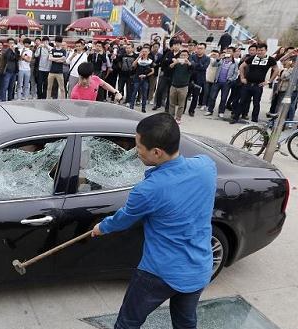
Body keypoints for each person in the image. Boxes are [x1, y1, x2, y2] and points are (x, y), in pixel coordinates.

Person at [90, 112, 217, 329]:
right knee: (185, 323)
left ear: (157, 152)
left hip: (159, 273)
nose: (135, 151)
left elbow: (123, 219)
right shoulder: (207, 167)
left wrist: (101, 227)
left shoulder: (149, 190)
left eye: (138, 147)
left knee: (128, 323)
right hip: (198, 269)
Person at [230, 43, 279, 124]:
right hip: (247, 84)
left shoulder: (270, 59)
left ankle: (254, 120)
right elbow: (241, 66)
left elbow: (276, 70)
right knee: (242, 101)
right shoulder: (252, 58)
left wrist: (269, 81)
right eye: (258, 50)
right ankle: (235, 118)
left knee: (256, 103)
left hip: (258, 85)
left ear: (266, 50)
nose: (260, 52)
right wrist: (242, 78)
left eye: (262, 50)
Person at [205, 47, 239, 118]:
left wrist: (230, 79)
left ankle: (221, 111)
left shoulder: (235, 62)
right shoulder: (222, 60)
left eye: (230, 51)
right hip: (217, 81)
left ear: (233, 53)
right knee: (212, 96)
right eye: (227, 51)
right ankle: (210, 110)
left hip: (226, 83)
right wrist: (219, 58)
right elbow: (214, 64)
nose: (228, 53)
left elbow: (235, 73)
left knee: (224, 98)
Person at [153, 39, 181, 112]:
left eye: (178, 45)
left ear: (180, 46)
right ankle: (158, 104)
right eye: (174, 45)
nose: (176, 46)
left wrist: (170, 61)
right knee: (159, 90)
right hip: (165, 75)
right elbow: (163, 62)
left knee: (170, 93)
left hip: (174, 76)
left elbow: (179, 65)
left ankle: (167, 108)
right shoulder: (169, 53)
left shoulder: (181, 55)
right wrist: (172, 60)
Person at [168, 50, 193, 124]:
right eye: (182, 55)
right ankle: (171, 117)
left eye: (185, 55)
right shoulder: (176, 63)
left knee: (181, 104)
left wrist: (188, 63)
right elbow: (169, 68)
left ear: (188, 56)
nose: (183, 56)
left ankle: (178, 118)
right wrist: (175, 62)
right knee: (171, 103)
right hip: (174, 85)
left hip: (183, 87)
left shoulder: (189, 64)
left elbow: (193, 68)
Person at [186, 43, 210, 116]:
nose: (199, 50)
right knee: (186, 94)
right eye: (198, 48)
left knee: (195, 96)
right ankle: (182, 109)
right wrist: (197, 65)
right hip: (190, 78)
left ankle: (191, 110)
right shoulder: (192, 56)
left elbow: (203, 68)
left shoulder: (207, 58)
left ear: (204, 50)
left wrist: (195, 64)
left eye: (201, 48)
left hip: (199, 79)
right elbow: (190, 65)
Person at [129, 47, 154, 113]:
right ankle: (131, 106)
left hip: (145, 79)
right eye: (143, 51)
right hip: (137, 78)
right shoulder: (138, 60)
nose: (144, 53)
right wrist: (138, 57)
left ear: (148, 52)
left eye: (146, 51)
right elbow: (133, 65)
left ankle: (143, 108)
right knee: (134, 92)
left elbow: (152, 71)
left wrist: (145, 75)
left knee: (144, 94)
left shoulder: (150, 61)